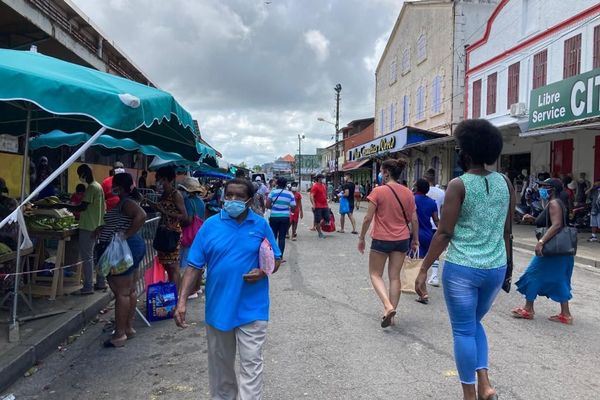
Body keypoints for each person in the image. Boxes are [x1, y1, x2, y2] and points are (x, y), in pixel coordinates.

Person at [415, 119, 513, 400]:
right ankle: (485, 385)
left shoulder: (458, 185)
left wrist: (423, 269)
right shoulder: (505, 182)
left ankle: (469, 395)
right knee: (474, 324)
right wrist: (508, 269)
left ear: (466, 153)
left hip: (462, 270)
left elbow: (444, 232)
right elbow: (507, 231)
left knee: (462, 331)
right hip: (495, 267)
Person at [175, 178, 282, 400]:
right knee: (221, 367)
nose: (232, 200)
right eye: (229, 195)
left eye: (239, 196)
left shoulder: (260, 225)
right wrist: (182, 301)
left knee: (251, 364)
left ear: (250, 200)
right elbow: (194, 266)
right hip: (218, 309)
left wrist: (263, 271)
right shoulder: (210, 226)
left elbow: (276, 259)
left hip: (253, 309)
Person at [358, 159, 419, 328]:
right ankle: (390, 316)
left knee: (375, 274)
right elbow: (414, 219)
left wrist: (361, 238)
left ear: (385, 173)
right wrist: (415, 240)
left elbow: (367, 218)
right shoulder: (408, 192)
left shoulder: (378, 191)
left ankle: (387, 306)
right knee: (394, 277)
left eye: (381, 171)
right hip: (402, 239)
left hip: (381, 239)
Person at [512, 178, 575, 325]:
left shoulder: (553, 203)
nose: (541, 190)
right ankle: (565, 314)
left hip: (552, 250)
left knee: (532, 274)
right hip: (562, 252)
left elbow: (557, 224)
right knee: (560, 279)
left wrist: (541, 242)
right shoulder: (557, 203)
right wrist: (533, 218)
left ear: (552, 189)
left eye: (544, 187)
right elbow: (552, 222)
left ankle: (528, 309)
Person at [96, 173, 146, 347]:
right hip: (130, 248)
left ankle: (119, 334)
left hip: (124, 250)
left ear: (120, 187)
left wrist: (125, 235)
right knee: (129, 290)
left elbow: (141, 216)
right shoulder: (124, 203)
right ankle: (128, 328)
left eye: (114, 185)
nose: (112, 188)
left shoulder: (127, 203)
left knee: (122, 292)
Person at [58, 164, 106, 294]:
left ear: (84, 174)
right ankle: (101, 282)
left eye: (80, 174)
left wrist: (63, 205)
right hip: (97, 225)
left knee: (87, 258)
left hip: (88, 227)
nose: (80, 177)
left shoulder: (91, 188)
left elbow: (82, 207)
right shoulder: (98, 186)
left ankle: (88, 287)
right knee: (96, 257)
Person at [151, 166, 187, 290]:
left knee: (173, 266)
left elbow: (183, 215)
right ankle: (171, 294)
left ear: (166, 179)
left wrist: (164, 211)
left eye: (159, 179)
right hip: (163, 232)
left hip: (172, 233)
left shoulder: (176, 194)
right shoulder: (164, 194)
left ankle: (176, 296)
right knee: (167, 265)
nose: (157, 182)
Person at [178, 176, 206, 273]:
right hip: (198, 233)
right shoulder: (201, 202)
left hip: (188, 234)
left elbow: (188, 220)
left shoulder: (188, 201)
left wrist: (179, 223)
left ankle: (183, 283)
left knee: (184, 259)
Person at [424, 168, 445, 286]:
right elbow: (444, 209)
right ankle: (434, 276)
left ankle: (419, 274)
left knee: (422, 250)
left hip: (424, 224)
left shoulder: (422, 191)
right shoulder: (441, 193)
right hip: (437, 225)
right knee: (435, 252)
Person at [266, 177, 296, 257]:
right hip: (285, 217)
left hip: (274, 217)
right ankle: (280, 256)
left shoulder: (272, 193)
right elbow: (293, 207)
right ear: (286, 184)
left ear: (277, 183)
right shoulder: (290, 194)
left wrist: (274, 207)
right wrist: (287, 207)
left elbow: (267, 205)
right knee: (282, 237)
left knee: (273, 236)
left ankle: (271, 255)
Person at [414, 178, 439, 263]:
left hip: (414, 235)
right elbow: (436, 220)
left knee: (415, 265)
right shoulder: (432, 202)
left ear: (416, 187)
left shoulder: (412, 199)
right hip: (428, 235)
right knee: (424, 264)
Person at [310, 174, 330, 239]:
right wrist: (313, 204)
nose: (323, 179)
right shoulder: (315, 186)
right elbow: (311, 196)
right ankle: (320, 233)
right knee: (318, 220)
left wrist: (327, 201)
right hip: (318, 206)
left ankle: (317, 226)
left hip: (325, 205)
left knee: (327, 218)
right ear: (319, 178)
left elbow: (324, 195)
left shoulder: (324, 186)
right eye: (322, 178)